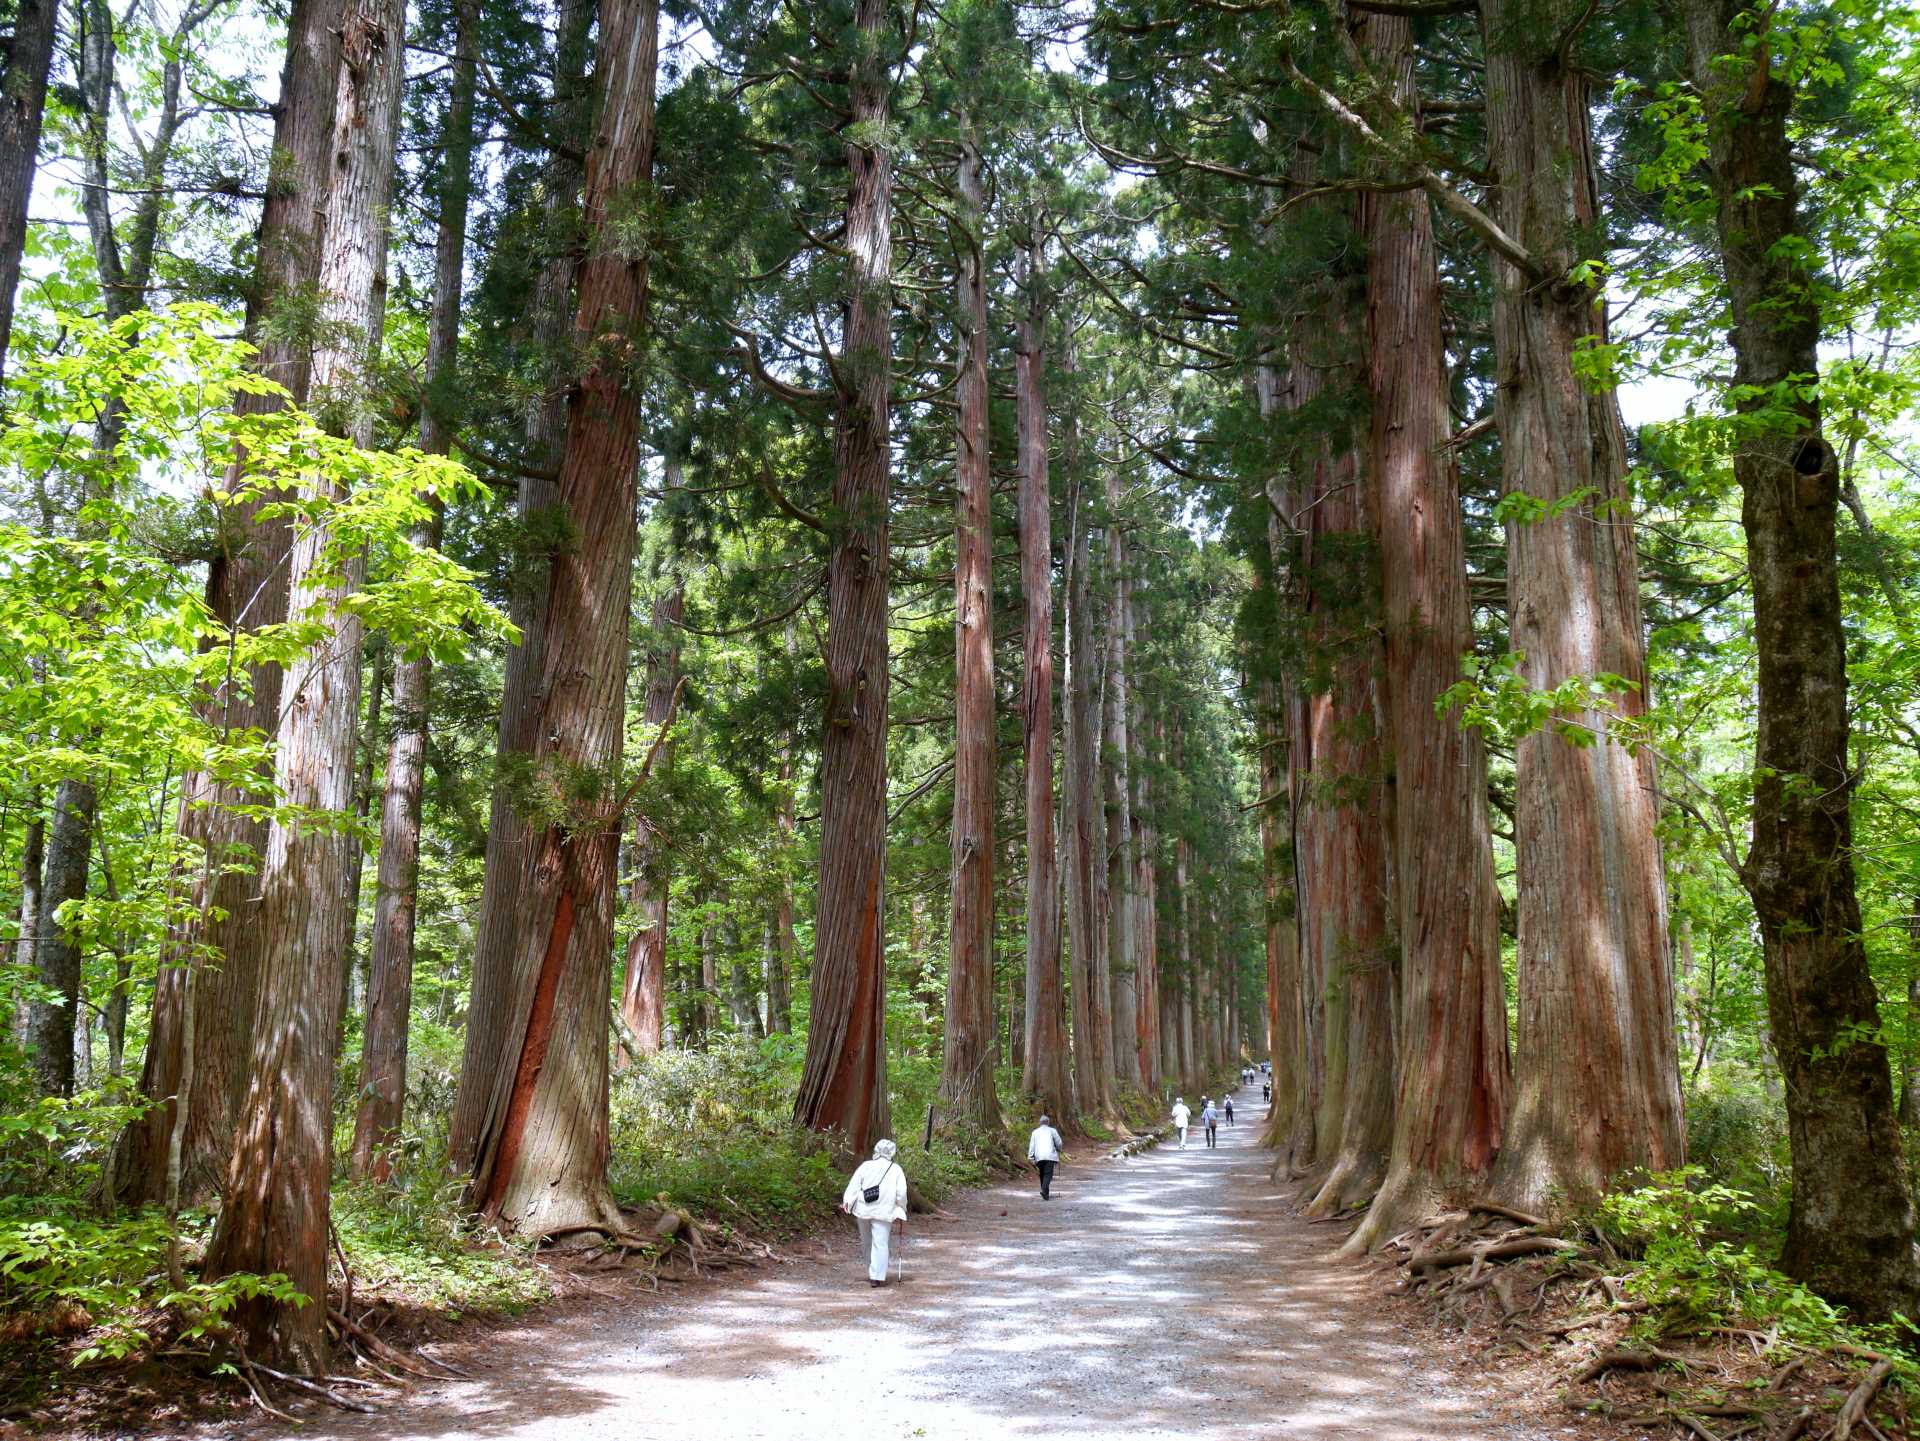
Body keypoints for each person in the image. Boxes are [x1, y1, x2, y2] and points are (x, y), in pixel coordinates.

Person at [841, 1139, 908, 1287]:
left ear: (876, 1150)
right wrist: (901, 1208)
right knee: (881, 1242)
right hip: (884, 1210)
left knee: (866, 1241)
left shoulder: (866, 1166)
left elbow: (854, 1185)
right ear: (892, 1152)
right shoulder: (896, 1169)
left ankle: (872, 1271)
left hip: (863, 1208)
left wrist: (847, 1202)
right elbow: (901, 1193)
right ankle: (876, 1276)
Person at [1027, 1114, 1066, 1199]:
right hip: (1050, 1156)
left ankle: (1045, 1193)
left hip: (1039, 1157)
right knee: (1048, 1174)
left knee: (1042, 1174)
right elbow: (1059, 1142)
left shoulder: (1035, 1132)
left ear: (1040, 1123)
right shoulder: (1052, 1131)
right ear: (1048, 1122)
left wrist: (1030, 1157)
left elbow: (1032, 1146)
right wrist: (1059, 1149)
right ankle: (1044, 1191)